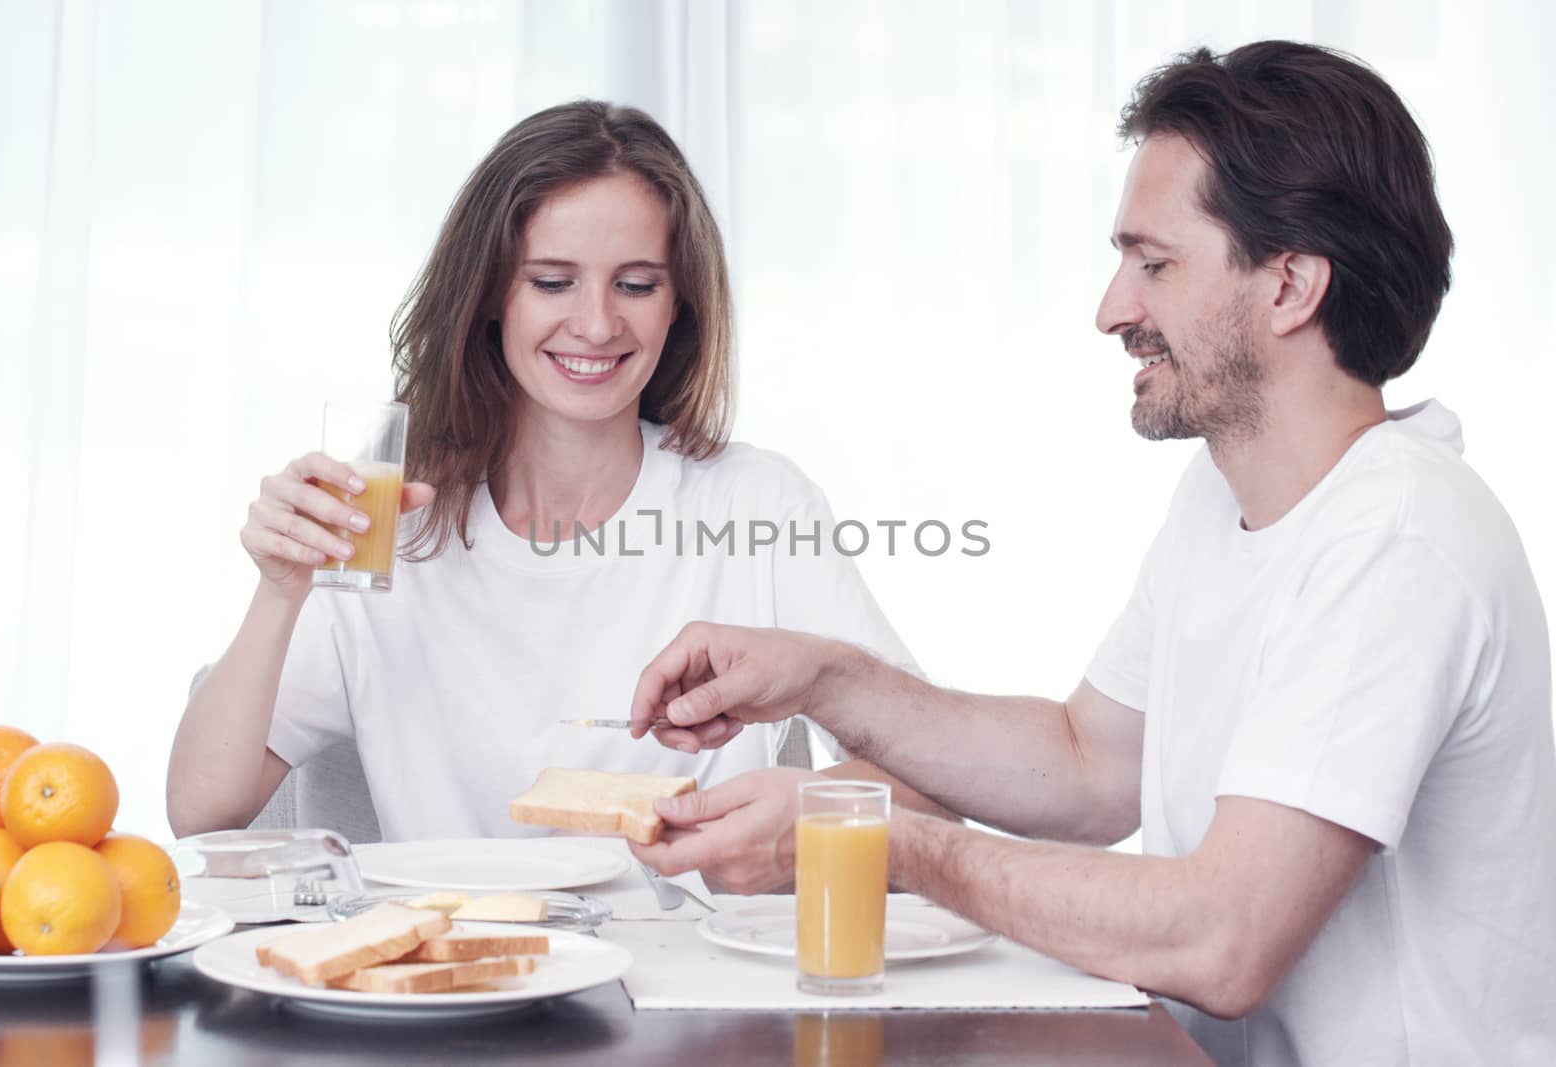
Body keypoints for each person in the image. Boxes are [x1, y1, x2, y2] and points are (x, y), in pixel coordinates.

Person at [627, 41, 1556, 1067]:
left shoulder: (1396, 539)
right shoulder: (1227, 499)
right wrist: (823, 676)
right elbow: (1088, 764)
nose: (1111, 308)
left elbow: (1221, 937)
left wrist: (882, 841)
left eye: (1153, 264)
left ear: (1289, 284)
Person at [167, 100, 943, 847]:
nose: (599, 323)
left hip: (694, 972)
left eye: (636, 284)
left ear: (679, 305)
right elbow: (201, 808)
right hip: (461, 970)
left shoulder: (759, 502)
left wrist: (793, 818)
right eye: (552, 281)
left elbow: (934, 785)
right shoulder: (386, 524)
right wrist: (278, 590)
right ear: (489, 296)